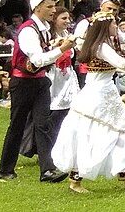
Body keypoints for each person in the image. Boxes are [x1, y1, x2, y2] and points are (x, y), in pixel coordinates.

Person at [51, 11, 125, 193]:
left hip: (103, 92)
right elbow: (122, 65)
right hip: (99, 94)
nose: (117, 27)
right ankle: (79, 180)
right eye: (114, 24)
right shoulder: (102, 46)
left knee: (111, 132)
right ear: (106, 27)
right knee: (106, 132)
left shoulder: (102, 44)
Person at [0, 0, 73, 182]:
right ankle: (5, 169)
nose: (53, 10)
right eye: (49, 6)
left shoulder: (44, 29)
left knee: (43, 124)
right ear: (36, 7)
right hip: (23, 82)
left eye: (54, 6)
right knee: (17, 125)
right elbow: (37, 59)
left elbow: (43, 54)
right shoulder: (28, 30)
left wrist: (54, 46)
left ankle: (47, 170)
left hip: (40, 81)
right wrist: (61, 49)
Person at [19, 8, 79, 159]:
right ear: (55, 20)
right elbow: (43, 57)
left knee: (67, 112)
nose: (67, 21)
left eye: (68, 18)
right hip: (52, 76)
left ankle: (61, 146)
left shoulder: (68, 35)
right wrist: (57, 46)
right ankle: (44, 149)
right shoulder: (48, 36)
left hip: (67, 77)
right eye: (63, 18)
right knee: (51, 113)